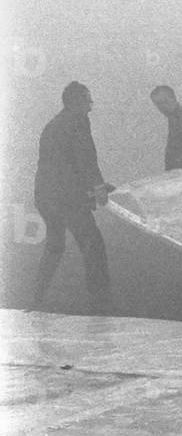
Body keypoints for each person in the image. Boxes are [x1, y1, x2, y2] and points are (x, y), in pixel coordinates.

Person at [33, 81, 115, 310]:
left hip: (46, 196)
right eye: (88, 101)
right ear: (77, 102)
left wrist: (95, 185)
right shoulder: (77, 122)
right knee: (93, 245)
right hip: (67, 200)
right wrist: (97, 187)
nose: (91, 106)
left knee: (55, 246)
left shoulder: (54, 124)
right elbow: (85, 158)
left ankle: (37, 297)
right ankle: (100, 302)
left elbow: (62, 165)